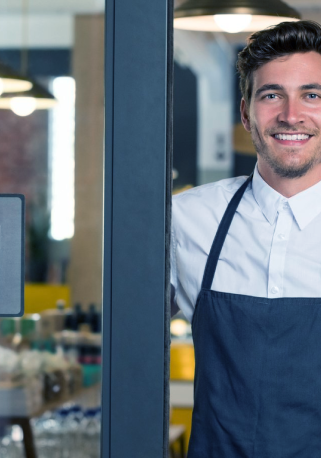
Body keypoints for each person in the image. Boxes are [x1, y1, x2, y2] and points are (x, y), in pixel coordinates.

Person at [171, 20, 321, 457]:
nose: (291, 115)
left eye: (312, 95)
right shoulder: (187, 219)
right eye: (272, 94)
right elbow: (132, 346)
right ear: (245, 112)